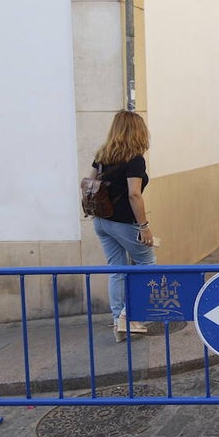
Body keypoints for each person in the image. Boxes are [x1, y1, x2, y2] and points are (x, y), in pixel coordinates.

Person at [87, 110, 156, 341]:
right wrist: (144, 226)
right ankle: (127, 317)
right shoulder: (135, 159)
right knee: (147, 264)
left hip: (101, 221)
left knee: (117, 269)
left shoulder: (102, 155)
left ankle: (119, 322)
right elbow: (134, 195)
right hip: (124, 223)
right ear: (137, 131)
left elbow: (90, 184)